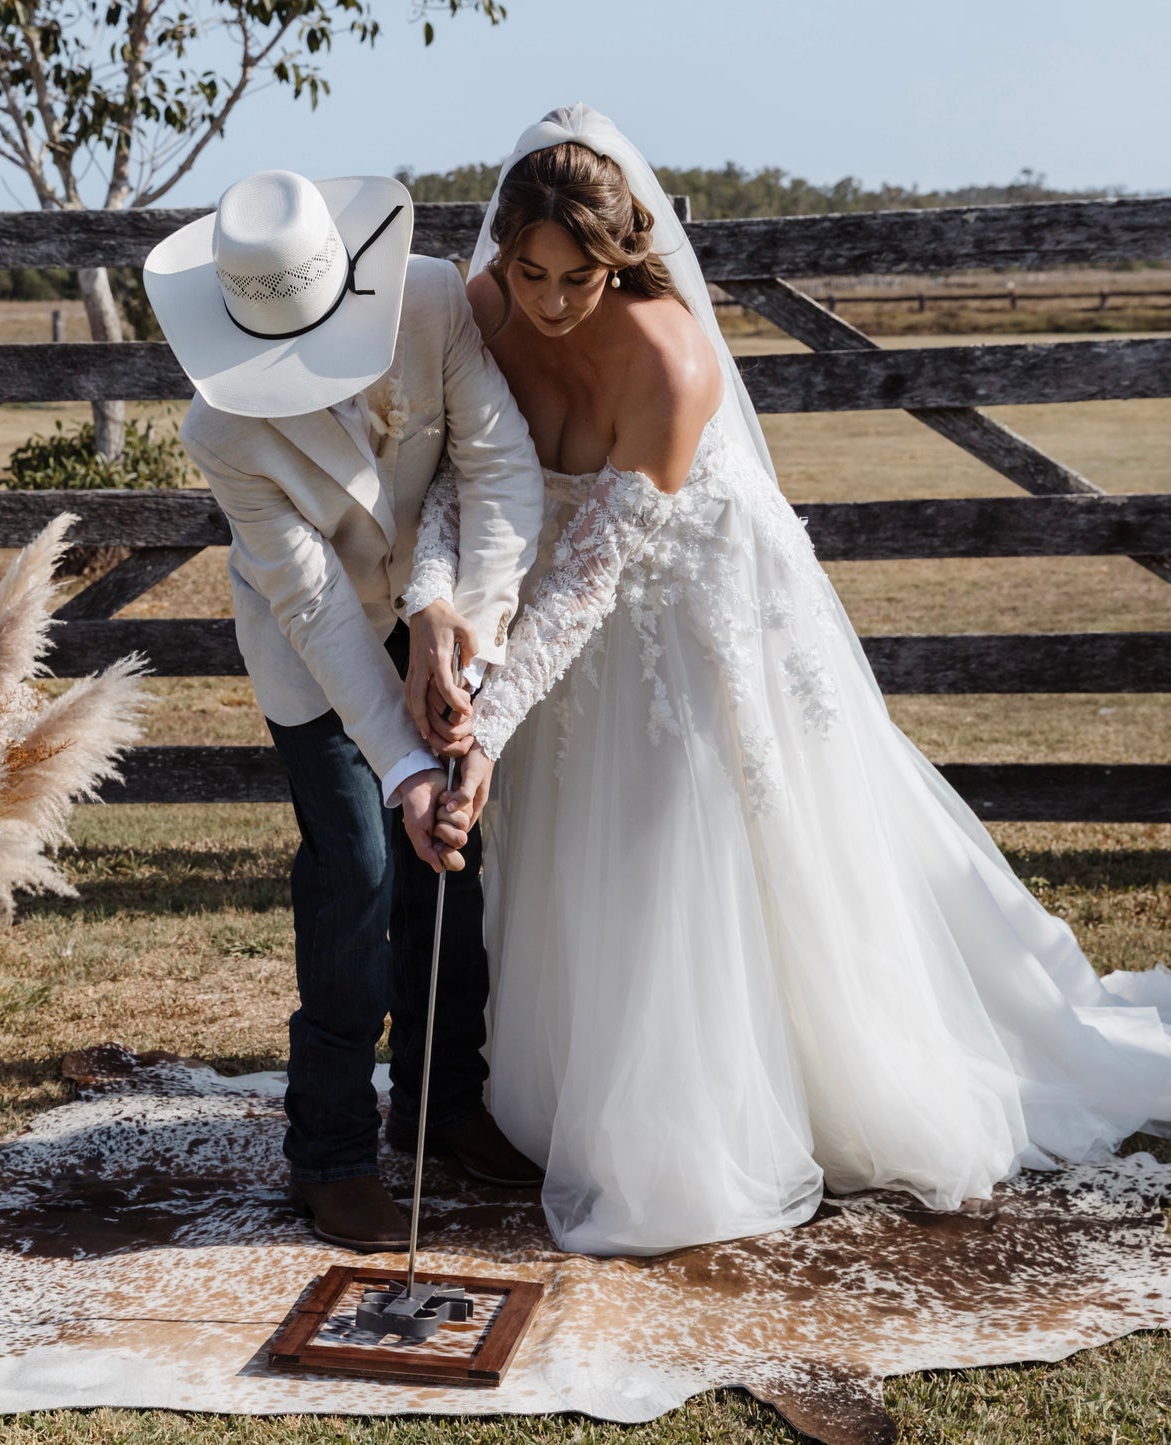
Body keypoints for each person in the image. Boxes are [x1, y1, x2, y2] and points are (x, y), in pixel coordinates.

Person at [407, 105, 1171, 1257]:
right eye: (529, 273)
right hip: (557, 608)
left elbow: (594, 576)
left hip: (684, 609)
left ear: (624, 258)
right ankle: (562, 1092)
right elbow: (460, 483)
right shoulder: (481, 312)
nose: (552, 304)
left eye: (580, 278)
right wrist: (443, 620)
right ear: (499, 252)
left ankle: (730, 1105)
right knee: (576, 851)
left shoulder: (669, 360)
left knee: (684, 845)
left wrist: (487, 730)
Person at [143, 168, 545, 1253]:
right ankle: (328, 1150)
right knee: (358, 867)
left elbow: (499, 468)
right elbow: (313, 604)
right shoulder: (220, 426)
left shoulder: (430, 300)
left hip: (440, 605)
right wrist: (401, 771)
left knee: (450, 853)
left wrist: (466, 642)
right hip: (308, 648)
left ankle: (440, 1094)